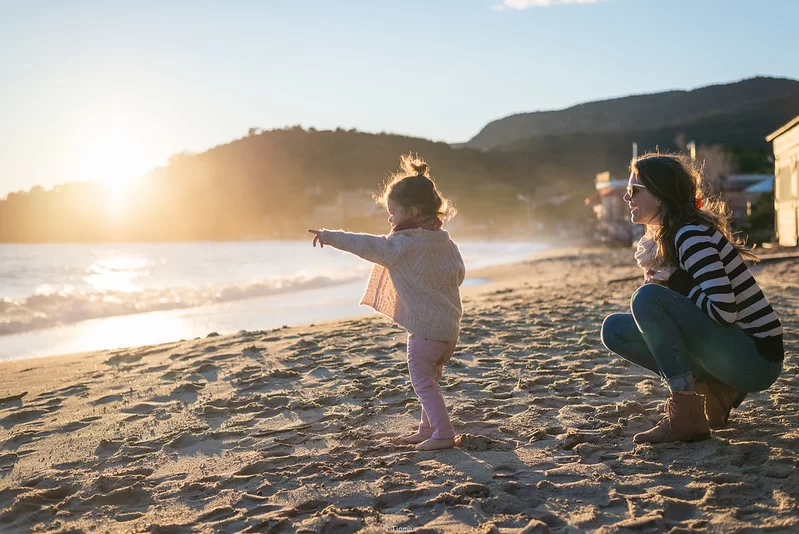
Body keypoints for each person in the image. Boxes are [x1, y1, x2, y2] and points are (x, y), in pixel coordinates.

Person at [600, 153, 784, 444]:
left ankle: (686, 413)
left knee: (647, 298)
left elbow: (724, 311)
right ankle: (717, 389)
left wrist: (673, 282)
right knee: (615, 330)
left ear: (659, 196)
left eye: (635, 190)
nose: (626, 196)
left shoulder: (690, 236)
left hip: (756, 358)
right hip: (732, 352)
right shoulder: (671, 238)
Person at [308, 154, 465, 451]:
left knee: (423, 385)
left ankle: (443, 434)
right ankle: (427, 428)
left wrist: (329, 236)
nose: (389, 218)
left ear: (413, 212)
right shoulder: (446, 242)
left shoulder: (400, 246)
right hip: (449, 331)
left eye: (393, 212)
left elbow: (365, 245)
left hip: (425, 334)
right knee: (431, 381)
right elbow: (459, 274)